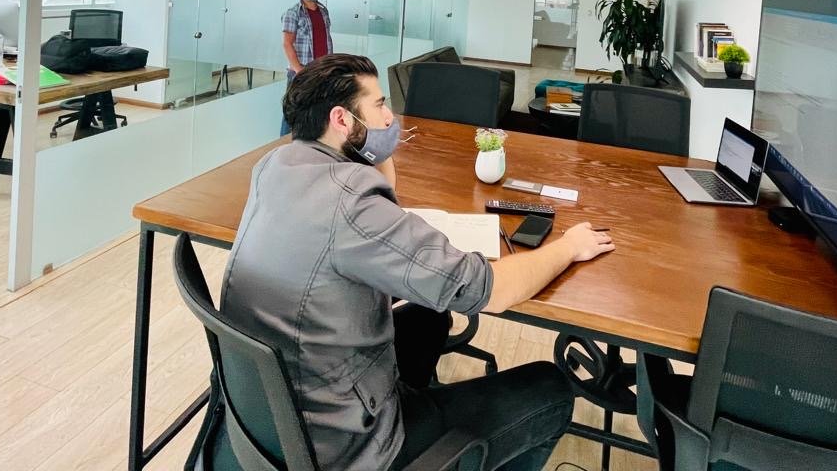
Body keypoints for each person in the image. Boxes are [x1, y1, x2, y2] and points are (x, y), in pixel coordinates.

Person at [221, 53, 615, 471]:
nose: (390, 117)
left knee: (429, 316)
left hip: (275, 412)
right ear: (341, 119)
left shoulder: (276, 165)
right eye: (379, 105)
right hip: (345, 447)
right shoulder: (352, 203)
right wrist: (568, 246)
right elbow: (494, 290)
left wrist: (370, 149)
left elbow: (366, 210)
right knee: (550, 389)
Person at [280, 0, 332, 136]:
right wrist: (299, 70)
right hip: (302, 71)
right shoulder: (293, 13)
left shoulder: (323, 11)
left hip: (321, 70)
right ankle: (284, 143)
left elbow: (325, 39)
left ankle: (309, 143)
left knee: (317, 110)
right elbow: (287, 43)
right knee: (293, 112)